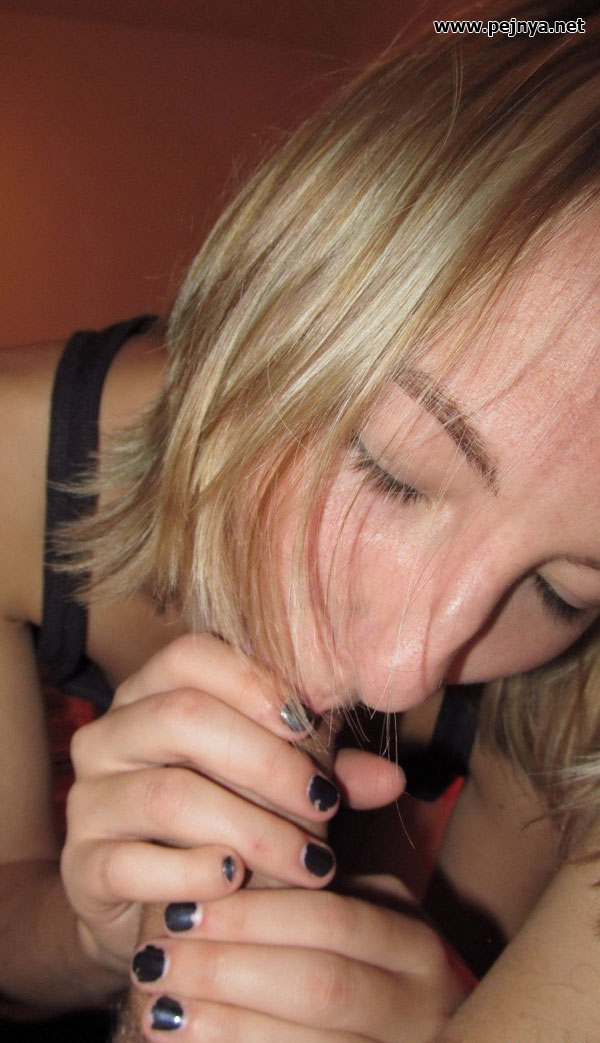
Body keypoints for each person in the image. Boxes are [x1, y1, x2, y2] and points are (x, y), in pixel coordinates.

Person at [2, 1, 600, 1039]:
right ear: (265, 299)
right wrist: (100, 926)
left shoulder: (568, 685)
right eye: (394, 471)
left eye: (562, 590)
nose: (405, 672)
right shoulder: (10, 455)